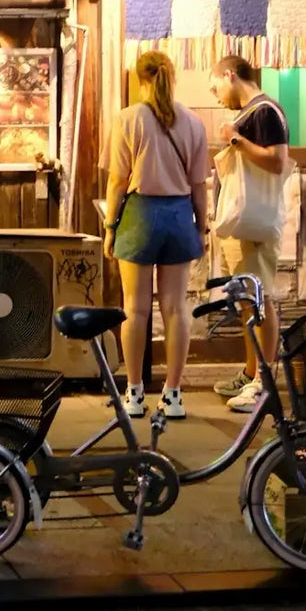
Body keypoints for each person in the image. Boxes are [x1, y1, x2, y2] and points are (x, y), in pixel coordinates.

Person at [103, 50, 209, 420]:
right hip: (180, 214)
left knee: (135, 308)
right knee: (177, 308)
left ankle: (133, 393)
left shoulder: (128, 119)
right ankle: (174, 394)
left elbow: (117, 180)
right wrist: (202, 227)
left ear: (140, 79)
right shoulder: (194, 123)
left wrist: (109, 227)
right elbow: (199, 184)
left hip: (140, 215)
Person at [208, 54, 290, 413]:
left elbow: (277, 161)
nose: (216, 96)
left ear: (230, 75)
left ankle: (263, 381)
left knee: (261, 299)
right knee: (247, 300)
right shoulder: (249, 114)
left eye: (216, 87)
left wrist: (236, 140)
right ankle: (251, 371)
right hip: (244, 223)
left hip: (256, 222)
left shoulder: (265, 111)